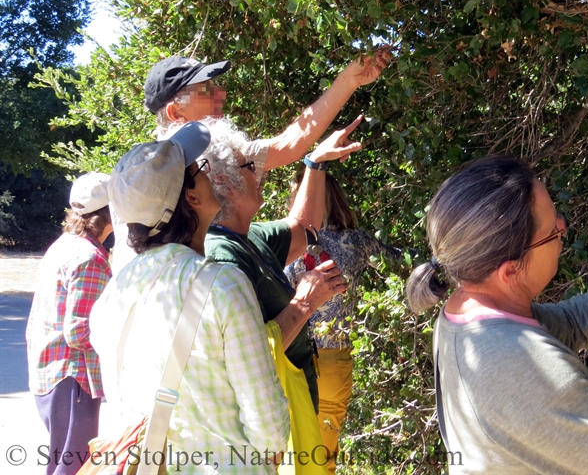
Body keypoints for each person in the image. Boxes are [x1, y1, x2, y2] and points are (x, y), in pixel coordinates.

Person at [405, 155, 588, 475]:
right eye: (552, 231)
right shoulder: (514, 366)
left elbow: (569, 324)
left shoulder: (469, 311)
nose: (563, 226)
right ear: (509, 271)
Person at [90, 122, 289, 474]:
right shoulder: (221, 284)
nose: (207, 173)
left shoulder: (113, 293)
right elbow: (267, 424)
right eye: (198, 170)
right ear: (191, 199)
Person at [110, 49, 391, 274]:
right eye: (206, 91)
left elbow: (289, 143)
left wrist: (349, 81)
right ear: (175, 112)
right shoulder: (148, 177)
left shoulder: (224, 149)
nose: (221, 94)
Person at [201, 117, 357, 414]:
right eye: (249, 166)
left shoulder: (249, 236)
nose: (259, 174)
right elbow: (243, 360)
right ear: (223, 183)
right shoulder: (222, 258)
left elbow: (302, 225)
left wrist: (316, 163)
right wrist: (304, 303)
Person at [284, 172, 403, 473]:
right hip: (335, 357)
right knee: (324, 450)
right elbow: (402, 262)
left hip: (290, 354)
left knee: (287, 446)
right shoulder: (357, 242)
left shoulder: (284, 246)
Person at [26, 172, 113, 475]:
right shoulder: (90, 258)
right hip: (72, 380)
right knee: (72, 469)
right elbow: (79, 332)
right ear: (111, 212)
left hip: (51, 375)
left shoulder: (63, 244)